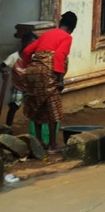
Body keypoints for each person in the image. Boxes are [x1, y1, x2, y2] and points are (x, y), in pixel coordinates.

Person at [20, 11, 77, 151]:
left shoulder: (47, 34)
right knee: (54, 110)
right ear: (72, 27)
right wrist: (60, 80)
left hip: (32, 72)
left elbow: (27, 51)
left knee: (37, 107)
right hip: (48, 73)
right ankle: (52, 145)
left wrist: (27, 67)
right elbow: (59, 56)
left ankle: (38, 143)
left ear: (60, 23)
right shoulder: (67, 37)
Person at [2, 31, 36, 128]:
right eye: (31, 43)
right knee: (13, 106)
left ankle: (35, 130)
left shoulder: (35, 57)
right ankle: (8, 127)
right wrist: (4, 71)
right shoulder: (14, 57)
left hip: (31, 87)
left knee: (35, 108)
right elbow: (2, 65)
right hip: (18, 87)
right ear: (24, 43)